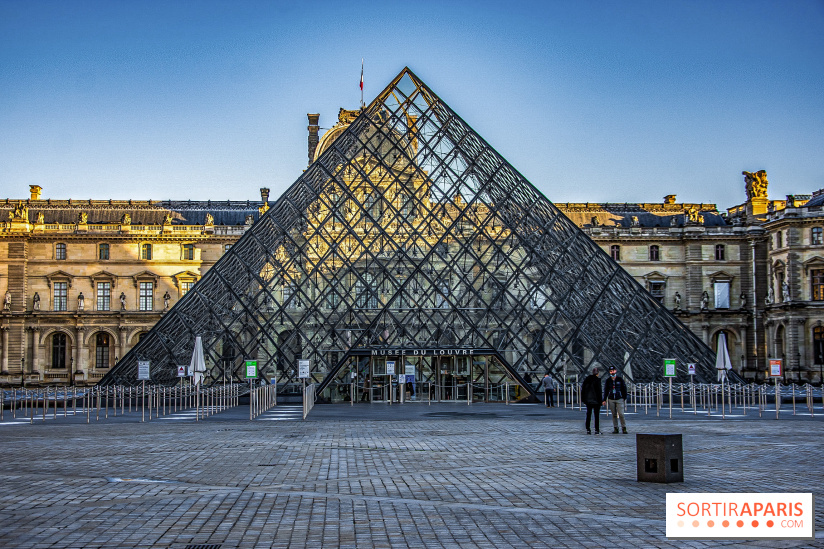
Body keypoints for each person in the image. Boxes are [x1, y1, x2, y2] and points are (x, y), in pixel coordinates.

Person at [603, 366, 628, 434]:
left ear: (615, 371)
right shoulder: (608, 380)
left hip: (619, 398)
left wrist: (624, 397)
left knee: (621, 414)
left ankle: (624, 427)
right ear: (609, 372)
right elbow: (606, 390)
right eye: (611, 371)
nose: (612, 372)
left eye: (613, 371)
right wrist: (604, 399)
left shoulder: (620, 379)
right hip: (611, 399)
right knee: (614, 414)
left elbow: (624, 388)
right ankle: (615, 428)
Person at [581, 367, 602, 434]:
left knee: (588, 415)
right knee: (596, 416)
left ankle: (588, 429)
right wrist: (601, 401)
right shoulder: (597, 380)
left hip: (588, 400)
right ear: (598, 373)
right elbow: (599, 391)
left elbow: (583, 390)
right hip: (596, 401)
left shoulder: (587, 380)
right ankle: (596, 429)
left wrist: (583, 399)